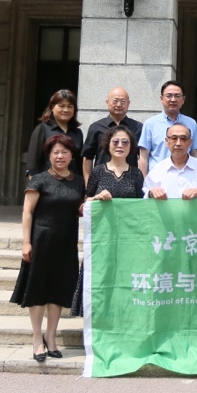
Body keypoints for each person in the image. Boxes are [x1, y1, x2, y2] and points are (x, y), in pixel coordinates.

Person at [10, 133, 85, 362]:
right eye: (55, 152)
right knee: (38, 291)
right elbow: (27, 212)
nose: (60, 156)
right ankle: (37, 339)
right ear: (49, 156)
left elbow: (79, 208)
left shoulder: (78, 181)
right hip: (41, 241)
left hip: (66, 242)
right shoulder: (39, 180)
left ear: (72, 155)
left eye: (64, 152)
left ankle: (51, 338)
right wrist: (26, 242)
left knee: (58, 292)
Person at [72, 125, 145, 317]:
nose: (120, 145)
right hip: (102, 238)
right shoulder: (98, 172)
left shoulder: (137, 174)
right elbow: (85, 204)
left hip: (128, 238)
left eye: (125, 142)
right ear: (108, 145)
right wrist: (96, 198)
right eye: (116, 141)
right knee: (100, 277)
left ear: (131, 147)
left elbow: (141, 207)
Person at [138, 80, 197, 174]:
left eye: (177, 96)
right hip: (157, 178)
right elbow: (143, 157)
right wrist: (144, 181)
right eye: (169, 96)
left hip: (185, 176)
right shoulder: (150, 124)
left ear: (183, 99)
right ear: (161, 98)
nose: (173, 99)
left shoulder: (191, 123)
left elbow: (195, 153)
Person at [81, 87, 142, 183]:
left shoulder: (138, 127)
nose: (119, 105)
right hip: (101, 181)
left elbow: (143, 157)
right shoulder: (96, 127)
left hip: (130, 181)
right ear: (107, 102)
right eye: (115, 101)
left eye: (123, 101)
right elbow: (88, 157)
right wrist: (88, 184)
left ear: (128, 103)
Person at [145, 122, 197, 199]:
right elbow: (145, 196)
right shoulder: (158, 169)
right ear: (167, 141)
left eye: (183, 139)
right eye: (174, 138)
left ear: (190, 142)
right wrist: (151, 193)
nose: (178, 143)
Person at [24, 89, 83, 177]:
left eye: (70, 106)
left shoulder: (77, 132)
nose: (66, 110)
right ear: (52, 107)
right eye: (61, 106)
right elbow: (33, 165)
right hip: (47, 181)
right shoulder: (42, 129)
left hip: (72, 181)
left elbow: (80, 163)